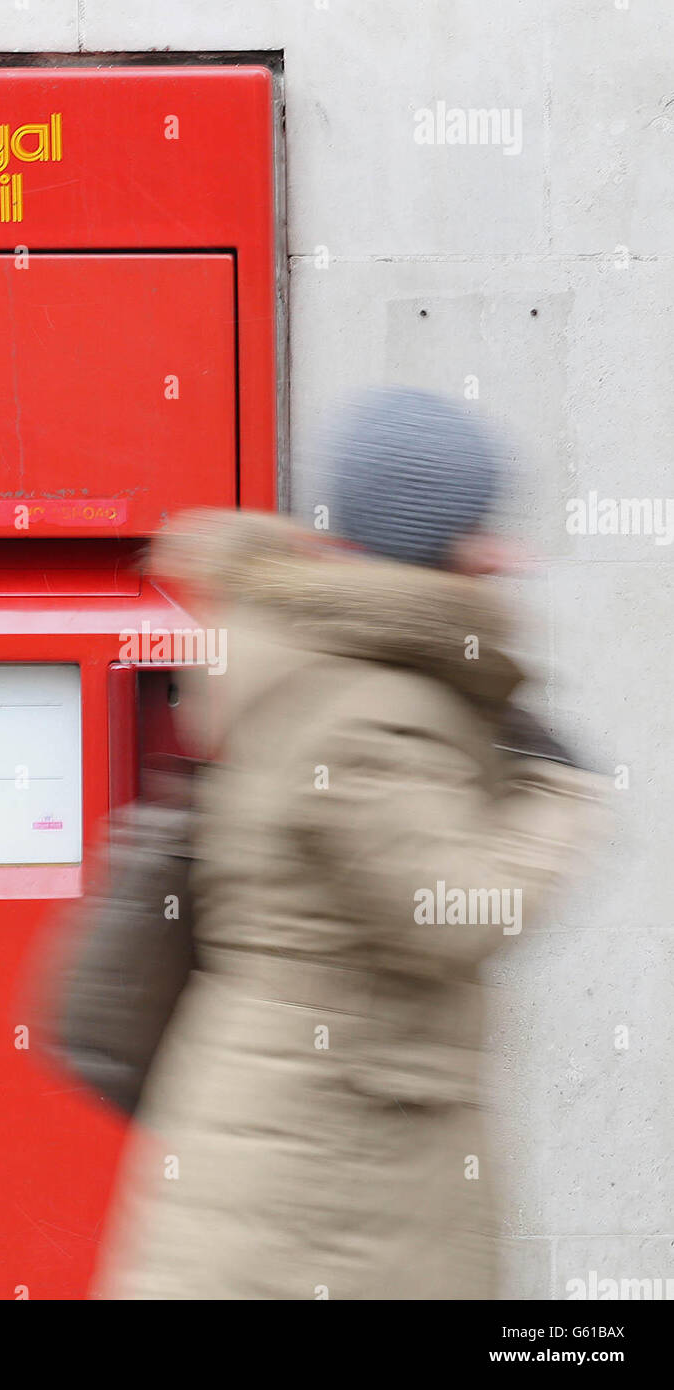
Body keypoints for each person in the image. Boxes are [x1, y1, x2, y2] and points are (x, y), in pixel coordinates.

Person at [93, 387, 603, 1300]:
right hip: (324, 1193)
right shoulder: (367, 712)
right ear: (441, 544)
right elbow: (460, 911)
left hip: (310, 1164)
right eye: (480, 528)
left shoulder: (328, 663)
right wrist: (554, 798)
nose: (505, 555)